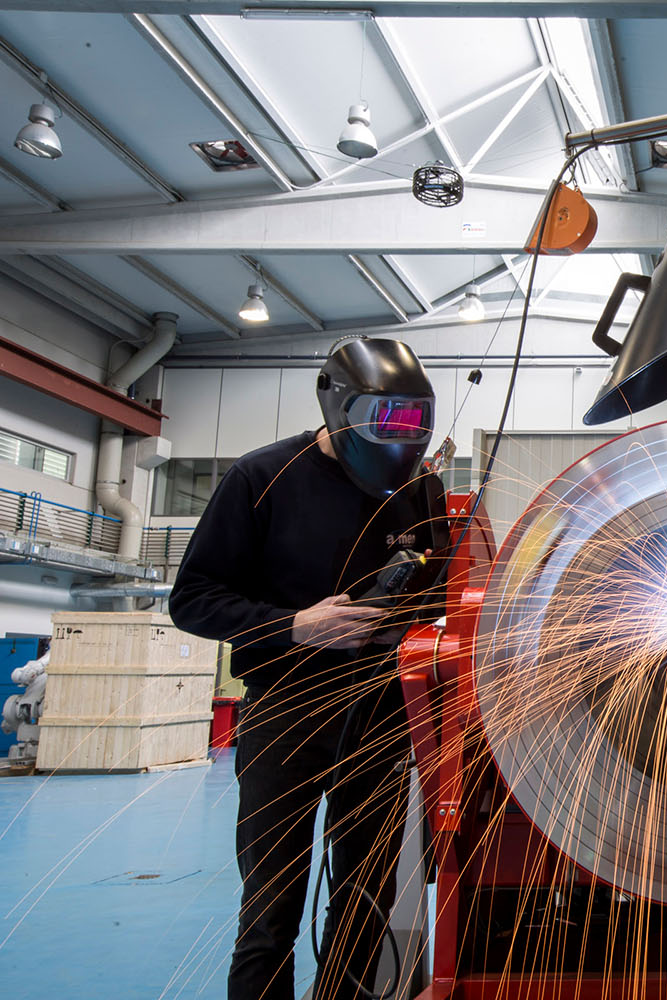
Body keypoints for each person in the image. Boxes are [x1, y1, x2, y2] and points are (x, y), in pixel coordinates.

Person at [170, 337, 448, 1000]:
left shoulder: (421, 488)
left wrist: (420, 621)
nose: (398, 436)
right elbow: (193, 597)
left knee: (364, 905)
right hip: (285, 712)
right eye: (386, 418)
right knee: (271, 912)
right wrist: (297, 625)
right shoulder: (261, 476)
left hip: (383, 715)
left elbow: (440, 593)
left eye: (411, 421)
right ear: (340, 406)